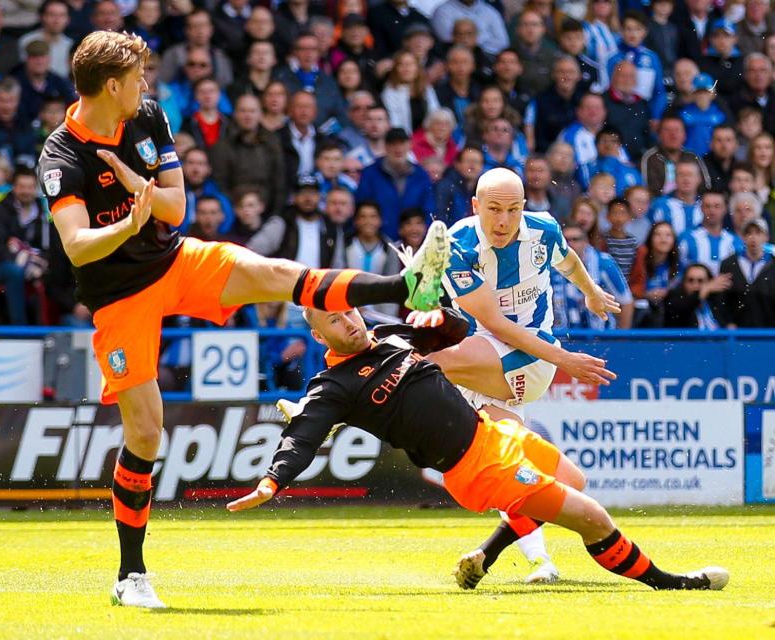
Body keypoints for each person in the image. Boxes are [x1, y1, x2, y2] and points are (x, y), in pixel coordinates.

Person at [37, 31, 454, 609]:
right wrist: (127, 226)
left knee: (277, 272)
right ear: (113, 85)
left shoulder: (148, 117)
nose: (146, 86)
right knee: (145, 431)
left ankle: (407, 286)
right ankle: (130, 575)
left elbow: (177, 207)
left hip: (173, 260)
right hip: (118, 296)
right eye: (138, 78)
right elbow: (78, 246)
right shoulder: (61, 154)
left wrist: (141, 191)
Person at [226, 305, 729, 595]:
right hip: (475, 467)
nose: (349, 322)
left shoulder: (386, 333)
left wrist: (436, 314)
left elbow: (455, 333)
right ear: (319, 335)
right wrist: (272, 481)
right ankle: (670, 584)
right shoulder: (332, 385)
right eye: (334, 321)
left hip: (492, 431)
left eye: (349, 311)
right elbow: (301, 435)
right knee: (593, 518)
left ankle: (483, 558)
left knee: (575, 482)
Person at [405, 168, 620, 581]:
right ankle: (521, 561)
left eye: (514, 210)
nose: (504, 221)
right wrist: (566, 359)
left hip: (530, 358)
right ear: (475, 206)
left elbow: (568, 260)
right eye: (494, 210)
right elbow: (495, 324)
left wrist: (591, 291)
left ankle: (344, 403)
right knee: (558, 479)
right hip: (488, 358)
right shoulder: (459, 245)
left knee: (428, 364)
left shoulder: (543, 230)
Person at [0, 167, 51, 325]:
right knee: (14, 271)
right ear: (13, 187)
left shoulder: (42, 212)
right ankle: (20, 328)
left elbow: (48, 248)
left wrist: (35, 259)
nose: (26, 191)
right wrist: (22, 257)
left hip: (33, 265)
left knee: (53, 268)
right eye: (22, 187)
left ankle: (49, 327)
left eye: (30, 187)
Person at [209, 94, 288, 217]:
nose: (248, 115)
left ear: (260, 114)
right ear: (235, 114)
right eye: (243, 111)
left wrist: (274, 215)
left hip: (267, 211)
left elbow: (279, 182)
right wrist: (239, 209)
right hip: (233, 212)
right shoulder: (222, 145)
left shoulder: (272, 142)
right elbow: (220, 184)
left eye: (252, 111)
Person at [355, 127, 434, 240]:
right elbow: (362, 206)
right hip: (379, 242)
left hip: (413, 243)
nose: (398, 149)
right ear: (385, 146)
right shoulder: (370, 174)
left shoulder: (421, 175)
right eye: (393, 144)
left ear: (409, 145)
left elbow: (428, 209)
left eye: (402, 143)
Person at [553, 223, 634, 330]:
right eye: (566, 240)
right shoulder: (550, 264)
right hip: (561, 336)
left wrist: (622, 338)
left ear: (585, 242)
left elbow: (626, 301)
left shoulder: (604, 262)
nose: (570, 244)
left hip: (601, 336)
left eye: (575, 239)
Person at [345, 200, 402, 316]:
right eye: (363, 216)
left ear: (380, 221)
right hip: (349, 308)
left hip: (379, 313)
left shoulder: (388, 247)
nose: (368, 221)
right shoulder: (346, 243)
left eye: (373, 216)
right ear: (356, 221)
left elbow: (392, 284)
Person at [719, 218, 775, 327]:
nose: (753, 238)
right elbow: (722, 299)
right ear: (742, 237)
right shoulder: (729, 264)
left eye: (758, 233)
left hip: (769, 333)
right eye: (748, 233)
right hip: (737, 333)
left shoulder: (773, 264)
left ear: (766, 237)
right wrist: (727, 323)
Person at [640, 115, 711, 195]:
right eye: (667, 130)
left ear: (685, 135)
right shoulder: (651, 157)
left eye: (677, 130)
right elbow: (648, 190)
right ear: (659, 135)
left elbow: (705, 187)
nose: (673, 135)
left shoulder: (693, 157)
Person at [678, 190, 743, 275]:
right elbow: (677, 272)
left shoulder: (735, 242)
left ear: (725, 209)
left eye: (717, 206)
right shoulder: (686, 238)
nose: (712, 210)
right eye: (707, 206)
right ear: (701, 208)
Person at [630, 221, 681, 327]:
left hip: (667, 308)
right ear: (650, 238)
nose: (663, 239)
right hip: (641, 307)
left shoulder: (678, 263)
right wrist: (645, 295)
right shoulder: (639, 259)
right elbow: (630, 289)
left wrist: (667, 293)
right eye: (658, 234)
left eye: (668, 235)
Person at [650, 158, 706, 237]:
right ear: (675, 178)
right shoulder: (660, 204)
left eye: (690, 174)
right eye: (681, 174)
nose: (686, 179)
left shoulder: (707, 205)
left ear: (699, 179)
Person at [663, 262, 729, 329]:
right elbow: (685, 307)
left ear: (709, 282)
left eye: (700, 281)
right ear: (683, 283)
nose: (695, 285)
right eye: (690, 280)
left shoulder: (716, 303)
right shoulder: (674, 302)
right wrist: (703, 291)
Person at [434, 145, 483, 225]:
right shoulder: (445, 187)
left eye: (476, 162)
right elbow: (440, 218)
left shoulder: (482, 190)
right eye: (468, 161)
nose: (472, 166)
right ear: (457, 164)